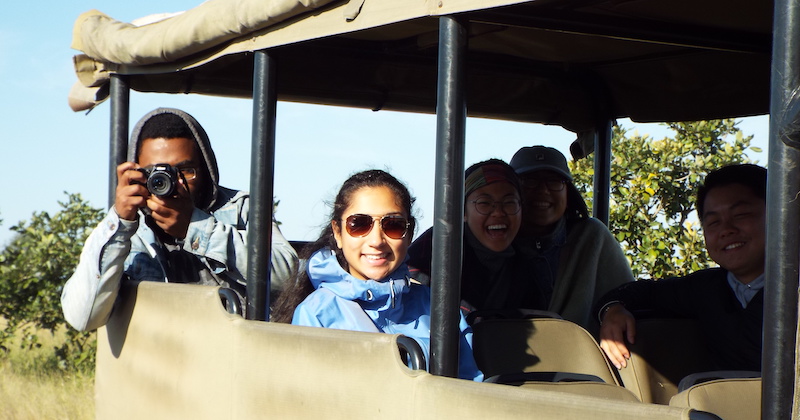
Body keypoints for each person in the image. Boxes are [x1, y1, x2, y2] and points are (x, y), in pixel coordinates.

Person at [61, 108, 298, 331]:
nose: (170, 183)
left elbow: (288, 276)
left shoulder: (242, 208)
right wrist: (120, 221)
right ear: (137, 174)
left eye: (184, 171)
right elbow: (83, 317)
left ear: (206, 170)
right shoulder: (126, 230)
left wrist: (195, 228)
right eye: (155, 174)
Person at [272, 169, 482, 381]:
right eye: (359, 224)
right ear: (338, 233)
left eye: (393, 225)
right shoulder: (316, 314)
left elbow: (468, 386)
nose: (376, 240)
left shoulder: (437, 307)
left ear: (409, 234)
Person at [595, 164, 766, 371]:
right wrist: (612, 310)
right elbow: (638, 292)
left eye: (741, 215)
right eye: (713, 222)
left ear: (782, 215)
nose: (726, 230)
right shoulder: (706, 288)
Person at [509, 146, 634, 335]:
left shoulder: (592, 238)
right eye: (530, 181)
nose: (543, 190)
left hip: (579, 360)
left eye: (554, 181)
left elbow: (628, 297)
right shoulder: (494, 241)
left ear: (568, 191)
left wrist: (614, 309)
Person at [408, 159, 552, 313]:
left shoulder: (531, 265)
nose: (498, 213)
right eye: (484, 203)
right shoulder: (433, 252)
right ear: (463, 212)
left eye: (509, 203)